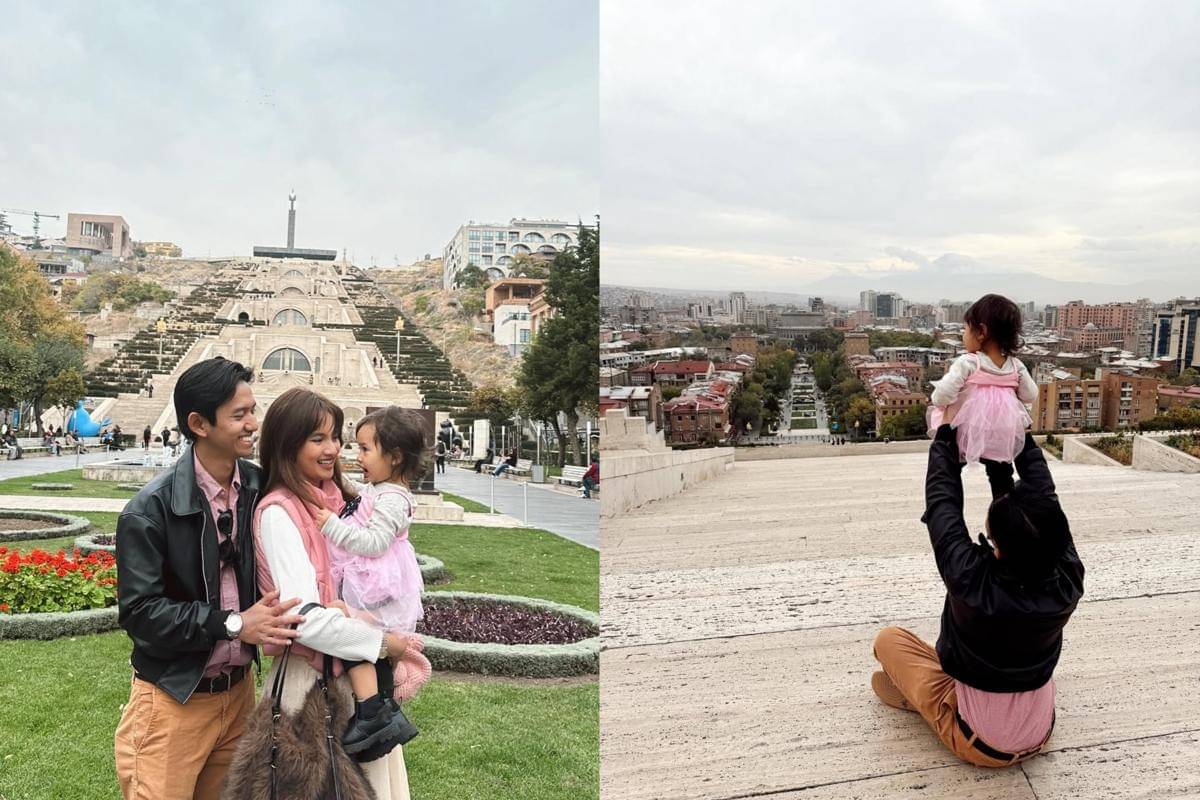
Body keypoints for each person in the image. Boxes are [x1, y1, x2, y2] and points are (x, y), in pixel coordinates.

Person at [114, 357, 306, 800]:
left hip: (239, 697)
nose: (253, 424)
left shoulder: (260, 488)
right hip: (172, 702)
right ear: (199, 423)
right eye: (239, 415)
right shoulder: (149, 511)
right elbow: (141, 614)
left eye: (253, 410)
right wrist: (235, 623)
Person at [870, 425, 1085, 767]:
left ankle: (934, 706)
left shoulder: (972, 584)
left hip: (982, 744)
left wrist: (945, 438)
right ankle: (940, 697)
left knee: (888, 640)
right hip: (1041, 732)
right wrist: (1007, 443)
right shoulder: (1068, 577)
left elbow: (943, 505)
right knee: (997, 656)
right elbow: (1043, 500)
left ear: (996, 544)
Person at [247, 388, 413, 796]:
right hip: (310, 691)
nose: (333, 449)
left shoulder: (334, 499)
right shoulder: (279, 512)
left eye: (336, 437)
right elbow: (301, 618)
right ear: (288, 444)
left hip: (350, 681)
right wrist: (382, 642)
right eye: (318, 439)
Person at [307, 406, 431, 754]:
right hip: (368, 579)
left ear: (394, 457)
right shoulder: (381, 488)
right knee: (355, 636)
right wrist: (338, 482)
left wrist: (331, 524)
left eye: (364, 449)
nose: (356, 455)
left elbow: (374, 543)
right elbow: (361, 496)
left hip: (377, 585)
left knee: (356, 638)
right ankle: (373, 707)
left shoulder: (393, 499)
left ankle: (372, 710)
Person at [927, 294, 1038, 466]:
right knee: (1000, 466)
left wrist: (941, 404)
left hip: (967, 428)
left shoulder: (969, 362)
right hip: (1001, 431)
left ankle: (953, 474)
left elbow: (942, 395)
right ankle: (1003, 492)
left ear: (981, 332)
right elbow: (1030, 395)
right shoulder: (1016, 366)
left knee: (951, 458)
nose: (963, 336)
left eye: (965, 329)